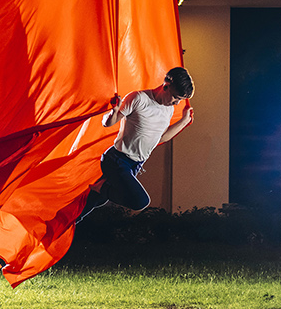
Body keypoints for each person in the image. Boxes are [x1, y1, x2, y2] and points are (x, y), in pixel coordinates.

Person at [78, 66, 195, 221]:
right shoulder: (139, 98)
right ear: (166, 85)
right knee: (140, 201)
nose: (176, 103)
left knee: (88, 204)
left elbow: (160, 138)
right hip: (117, 160)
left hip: (134, 165)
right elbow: (108, 123)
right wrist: (113, 111)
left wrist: (183, 121)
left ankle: (60, 228)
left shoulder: (168, 110)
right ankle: (101, 188)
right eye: (175, 97)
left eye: (180, 100)